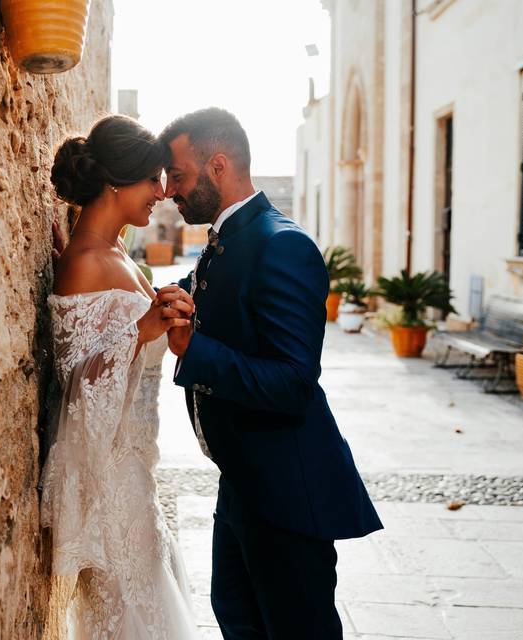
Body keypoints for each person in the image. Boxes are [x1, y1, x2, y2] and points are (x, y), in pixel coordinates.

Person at [159, 107, 383, 639]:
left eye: (179, 176)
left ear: (217, 166)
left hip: (287, 491)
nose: (170, 191)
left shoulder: (282, 246)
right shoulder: (225, 241)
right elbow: (189, 295)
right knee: (238, 619)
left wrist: (195, 349)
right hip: (241, 480)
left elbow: (293, 383)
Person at [41, 114, 202, 639]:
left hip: (136, 466)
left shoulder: (112, 253)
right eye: (152, 178)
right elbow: (73, 383)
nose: (161, 191)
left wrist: (166, 321)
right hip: (109, 479)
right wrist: (141, 329)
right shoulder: (85, 260)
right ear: (116, 182)